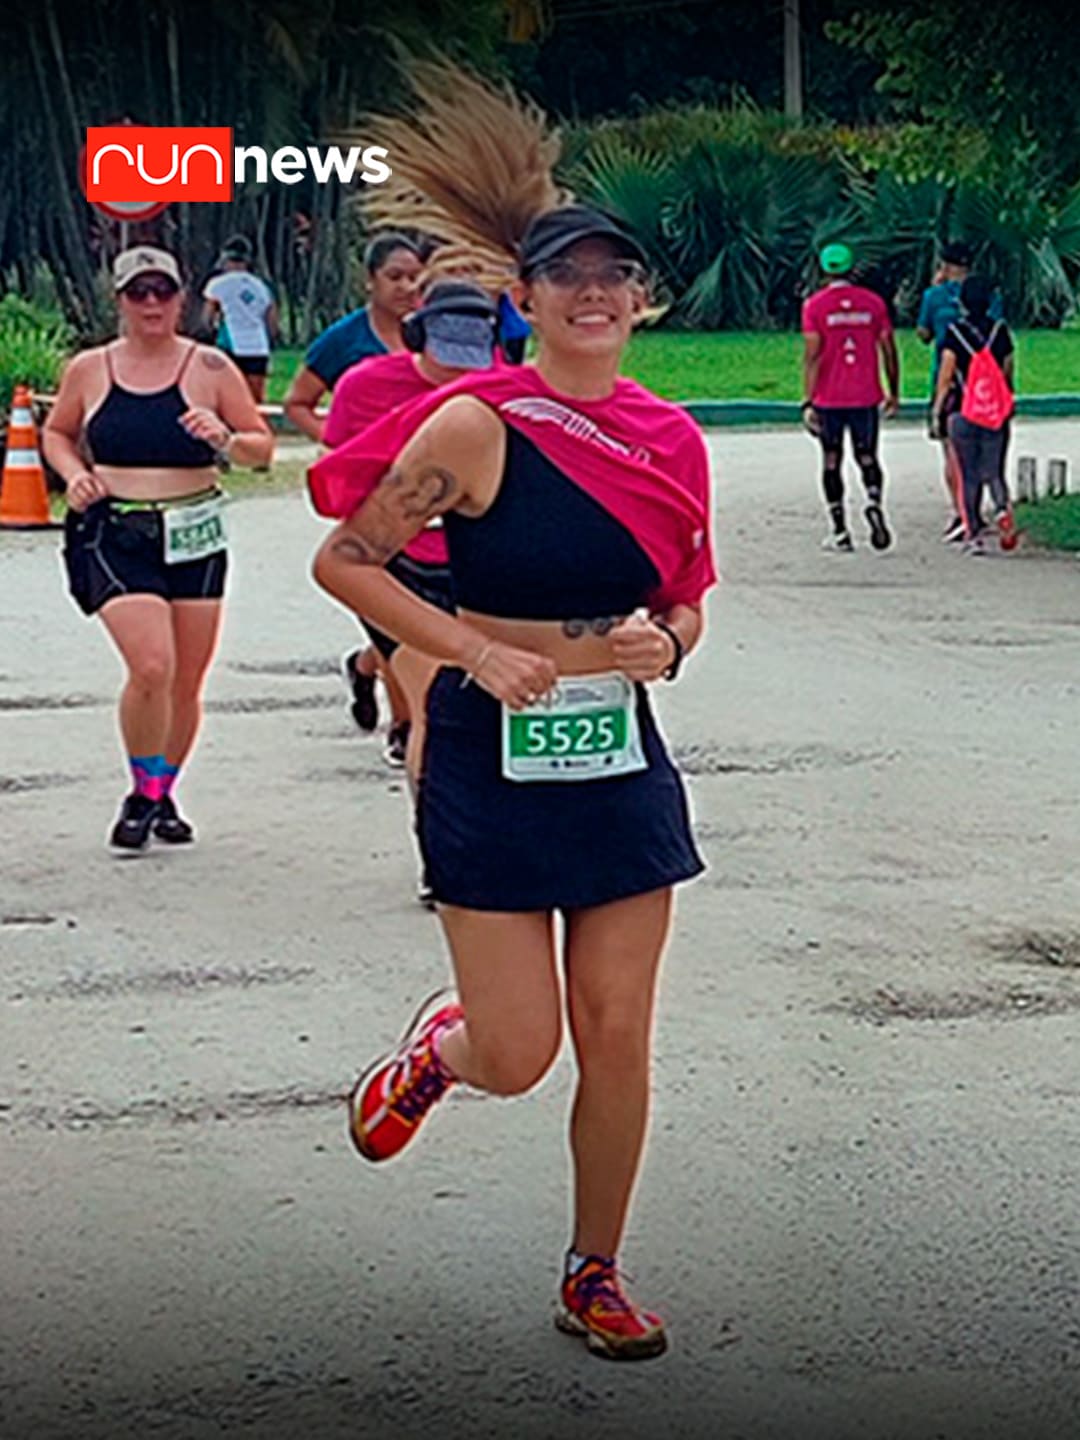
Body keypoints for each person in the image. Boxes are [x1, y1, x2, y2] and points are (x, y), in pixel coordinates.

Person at [311, 203, 716, 1362]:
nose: (593, 293)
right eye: (566, 276)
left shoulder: (673, 438)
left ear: (642, 299)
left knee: (619, 1028)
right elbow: (345, 558)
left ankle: (595, 1271)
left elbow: (687, 592)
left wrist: (671, 645)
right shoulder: (477, 424)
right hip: (490, 754)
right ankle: (445, 1051)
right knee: (522, 1049)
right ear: (524, 302)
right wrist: (466, 648)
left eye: (615, 274)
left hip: (618, 755)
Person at [43, 246, 273, 848]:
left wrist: (224, 437)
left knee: (186, 681)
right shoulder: (90, 369)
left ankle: (155, 792)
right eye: (138, 293)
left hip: (194, 530)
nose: (151, 304)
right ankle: (143, 792)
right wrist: (73, 475)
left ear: (184, 298)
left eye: (162, 292)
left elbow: (262, 447)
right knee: (152, 665)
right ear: (118, 300)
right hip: (115, 532)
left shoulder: (212, 368)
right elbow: (57, 432)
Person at [316, 278, 500, 897]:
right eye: (448, 348)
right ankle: (441, 855)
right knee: (436, 708)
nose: (460, 366)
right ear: (418, 334)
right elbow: (341, 473)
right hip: (397, 567)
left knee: (477, 706)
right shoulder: (366, 387)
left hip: (477, 567)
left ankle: (366, 668)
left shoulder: (501, 389)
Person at [286, 231, 424, 752]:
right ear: (369, 281)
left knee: (417, 613)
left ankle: (363, 665)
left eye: (416, 276)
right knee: (391, 607)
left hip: (435, 492)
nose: (408, 287)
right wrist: (345, 444)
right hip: (372, 498)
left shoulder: (440, 335)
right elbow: (298, 402)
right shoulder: (344, 340)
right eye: (395, 277)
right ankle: (405, 725)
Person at [802, 242, 900, 553]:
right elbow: (888, 349)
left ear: (823, 270)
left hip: (829, 398)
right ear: (851, 269)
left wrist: (808, 399)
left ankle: (840, 531)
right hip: (865, 395)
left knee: (832, 460)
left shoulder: (814, 306)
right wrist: (893, 391)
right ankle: (873, 501)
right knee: (867, 455)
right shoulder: (873, 304)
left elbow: (812, 355)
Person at [917, 242, 1003, 541]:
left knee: (953, 452)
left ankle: (962, 513)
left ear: (944, 265)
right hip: (988, 389)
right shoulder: (989, 296)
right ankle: (994, 508)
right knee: (988, 455)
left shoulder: (934, 297)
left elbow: (924, 334)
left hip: (952, 382)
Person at [931, 275, 1017, 556]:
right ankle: (1003, 509)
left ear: (963, 302)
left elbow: (945, 377)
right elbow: (1006, 374)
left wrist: (937, 412)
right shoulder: (1000, 332)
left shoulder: (954, 333)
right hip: (994, 413)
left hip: (963, 412)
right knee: (994, 471)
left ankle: (973, 536)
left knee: (968, 475)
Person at [201, 235, 278, 402]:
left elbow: (207, 318)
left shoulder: (217, 284)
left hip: (230, 345)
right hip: (258, 347)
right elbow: (271, 321)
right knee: (255, 400)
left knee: (227, 397)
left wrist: (211, 333)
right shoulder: (261, 286)